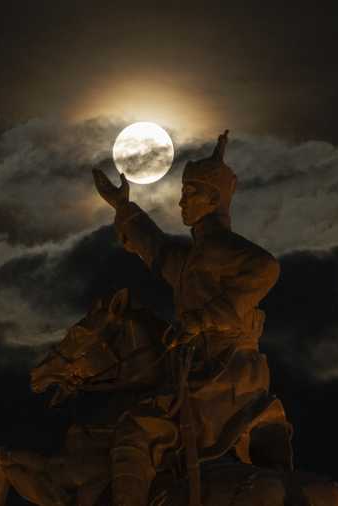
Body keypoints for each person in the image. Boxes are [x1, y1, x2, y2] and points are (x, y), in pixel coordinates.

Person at [92, 130, 292, 506]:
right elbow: (156, 249)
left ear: (213, 199)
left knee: (137, 430)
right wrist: (124, 207)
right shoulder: (191, 256)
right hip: (202, 369)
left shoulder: (222, 248)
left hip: (224, 375)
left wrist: (204, 319)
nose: (182, 202)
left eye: (190, 194)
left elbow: (265, 268)